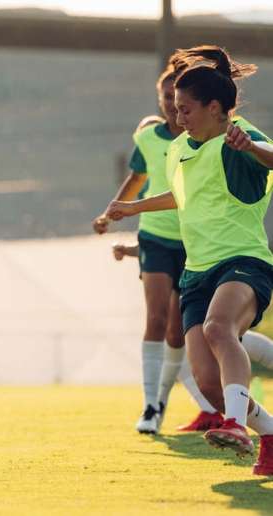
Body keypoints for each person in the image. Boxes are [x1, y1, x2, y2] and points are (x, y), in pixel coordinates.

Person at [107, 45, 273, 476]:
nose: (177, 118)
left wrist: (252, 148)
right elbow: (183, 197)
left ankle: (236, 425)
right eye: (175, 109)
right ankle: (268, 434)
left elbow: (269, 158)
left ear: (215, 108)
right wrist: (133, 208)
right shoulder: (180, 147)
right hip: (196, 270)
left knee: (220, 328)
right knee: (209, 384)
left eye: (185, 110)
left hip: (244, 261)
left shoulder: (240, 137)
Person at [93, 58, 188, 434]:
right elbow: (137, 176)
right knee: (156, 318)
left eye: (175, 97)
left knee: (178, 332)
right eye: (165, 96)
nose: (170, 103)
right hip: (155, 237)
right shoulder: (148, 138)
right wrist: (108, 213)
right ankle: (150, 407)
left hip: (194, 239)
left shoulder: (199, 137)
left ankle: (162, 400)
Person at [113, 241, 273, 430]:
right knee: (206, 372)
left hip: (233, 260)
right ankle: (265, 428)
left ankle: (232, 424)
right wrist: (123, 213)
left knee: (217, 331)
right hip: (192, 270)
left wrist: (128, 210)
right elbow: (174, 221)